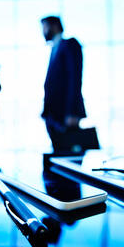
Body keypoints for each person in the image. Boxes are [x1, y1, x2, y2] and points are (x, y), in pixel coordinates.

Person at [40, 16, 86, 152]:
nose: (42, 32)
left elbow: (75, 78)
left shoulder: (70, 44)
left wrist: (72, 111)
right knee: (58, 152)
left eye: (44, 27)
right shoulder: (55, 48)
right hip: (52, 114)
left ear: (53, 26)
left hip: (66, 113)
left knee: (69, 153)